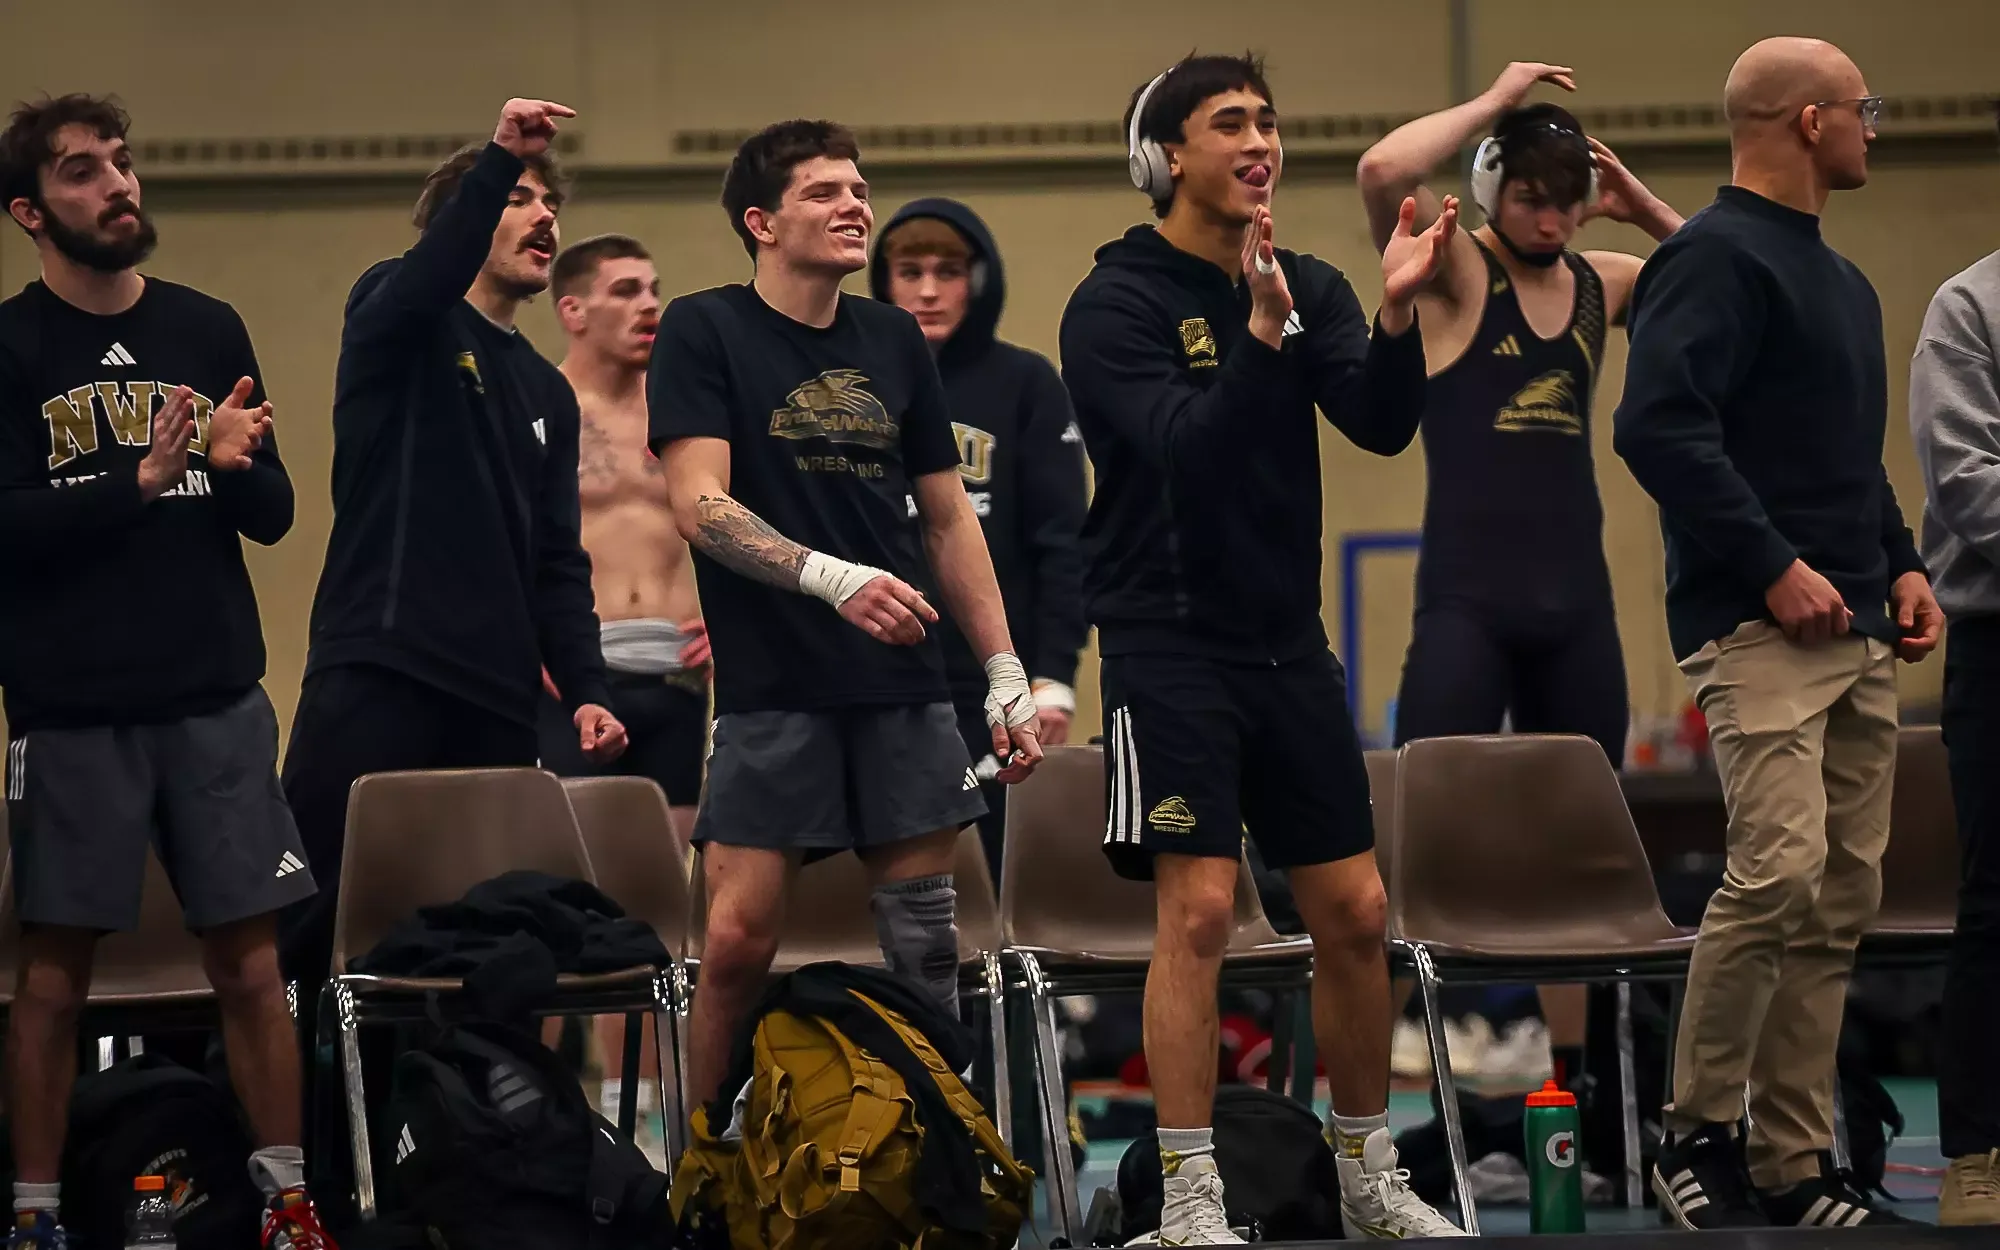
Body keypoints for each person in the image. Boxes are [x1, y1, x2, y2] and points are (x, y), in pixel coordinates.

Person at [1059, 53, 1464, 1243]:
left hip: (1287, 645)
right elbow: (1190, 446)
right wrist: (1254, 331)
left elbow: (1382, 425)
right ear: (1165, 156)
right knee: (1196, 912)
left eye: (1268, 122)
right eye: (1227, 122)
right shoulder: (1114, 303)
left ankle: (1362, 1171)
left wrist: (1389, 313)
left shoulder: (1309, 279)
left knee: (1354, 909)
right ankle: (1188, 1196)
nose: (1258, 142)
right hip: (1163, 642)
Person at [1612, 35, 1941, 1231]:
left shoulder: (1840, 282)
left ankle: (1797, 1159)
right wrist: (1771, 565)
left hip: (1854, 623)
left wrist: (1900, 562)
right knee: (1777, 870)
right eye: (1862, 106)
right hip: (1755, 624)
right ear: (1806, 121)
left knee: (1839, 895)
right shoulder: (1707, 259)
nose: (1873, 125)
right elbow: (1654, 427)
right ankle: (1690, 1131)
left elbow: (1843, 461)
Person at [649, 120, 1043, 1111]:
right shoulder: (705, 328)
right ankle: (703, 1165)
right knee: (736, 943)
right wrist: (830, 577)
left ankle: (945, 1159)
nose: (853, 203)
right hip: (773, 684)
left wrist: (1002, 669)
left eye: (858, 186)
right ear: (760, 222)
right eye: (823, 191)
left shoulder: (893, 337)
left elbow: (947, 514)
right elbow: (698, 503)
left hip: (903, 685)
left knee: (925, 947)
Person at [0, 94, 335, 1247]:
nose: (119, 186)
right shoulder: (10, 347)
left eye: (124, 165)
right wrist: (134, 482)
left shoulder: (207, 325)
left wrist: (234, 469)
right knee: (52, 976)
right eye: (85, 172)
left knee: (250, 962)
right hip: (74, 704)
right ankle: (36, 1213)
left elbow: (278, 512)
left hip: (214, 699)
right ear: (30, 212)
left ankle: (287, 1200)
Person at [278, 99, 626, 1142]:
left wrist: (591, 683)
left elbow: (557, 561)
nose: (543, 216)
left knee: (458, 953)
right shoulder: (398, 313)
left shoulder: (544, 392)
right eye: (520, 199)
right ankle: (302, 1169)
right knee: (309, 933)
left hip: (492, 708)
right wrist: (496, 162)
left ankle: (446, 1167)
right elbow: (426, 277)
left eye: (549, 202)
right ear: (461, 222)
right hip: (377, 672)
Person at [1356, 62, 1685, 1086]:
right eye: (1531, 196)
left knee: (1578, 854)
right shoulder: (1458, 275)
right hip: (1467, 601)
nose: (1550, 217)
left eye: (1566, 198)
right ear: (1497, 189)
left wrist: (1637, 207)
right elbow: (1379, 170)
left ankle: (1572, 1087)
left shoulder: (1602, 281)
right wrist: (1493, 105)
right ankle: (1403, 1048)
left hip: (1574, 605)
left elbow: (1727, 276)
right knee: (1419, 834)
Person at [869, 198, 1087, 880]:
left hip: (998, 678)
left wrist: (1053, 676)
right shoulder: (857, 383)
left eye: (947, 271)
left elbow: (1065, 542)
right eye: (909, 272)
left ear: (980, 281)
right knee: (897, 874)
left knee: (993, 874)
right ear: (884, 282)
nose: (929, 290)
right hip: (883, 676)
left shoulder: (1024, 383)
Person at [544, 234, 708, 830]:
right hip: (576, 672)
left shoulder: (684, 411)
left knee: (674, 867)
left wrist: (733, 623)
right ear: (574, 311)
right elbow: (496, 538)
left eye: (654, 290)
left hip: (677, 670)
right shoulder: (539, 404)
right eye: (626, 290)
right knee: (577, 861)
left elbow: (739, 523)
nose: (649, 305)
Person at [1908, 230, 2000, 1226]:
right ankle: (1974, 1148)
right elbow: (1964, 478)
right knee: (1995, 901)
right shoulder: (1967, 309)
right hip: (1995, 636)